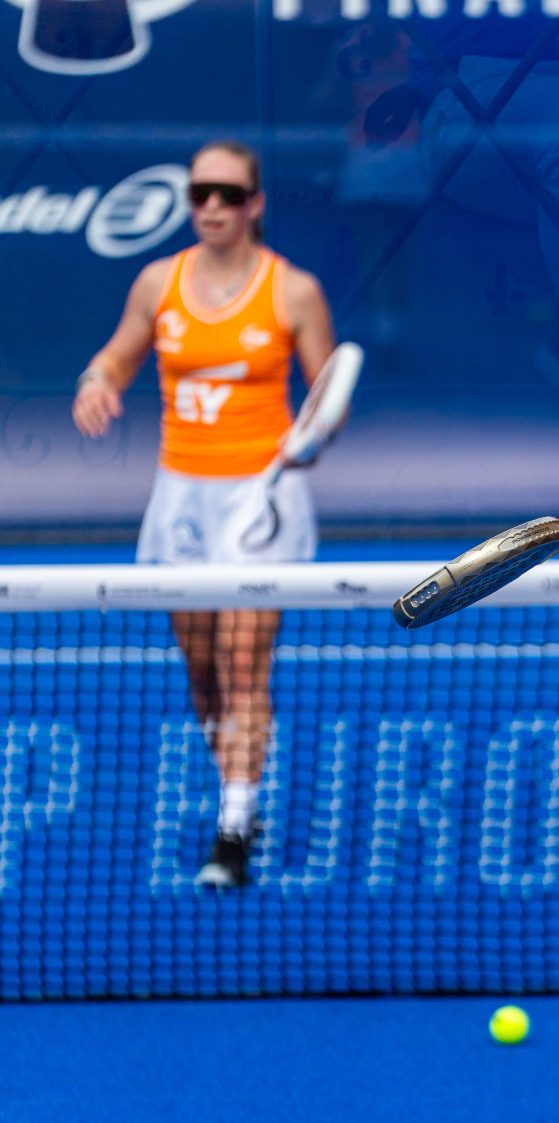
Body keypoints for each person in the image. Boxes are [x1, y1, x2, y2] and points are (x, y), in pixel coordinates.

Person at [72, 140, 336, 889]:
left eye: (229, 194)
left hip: (262, 500)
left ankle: (234, 823)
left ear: (255, 204)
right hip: (181, 497)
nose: (212, 207)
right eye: (200, 194)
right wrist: (96, 380)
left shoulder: (293, 290)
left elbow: (327, 395)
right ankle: (235, 789)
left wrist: (313, 437)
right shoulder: (159, 281)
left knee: (242, 658)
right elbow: (118, 355)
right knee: (201, 667)